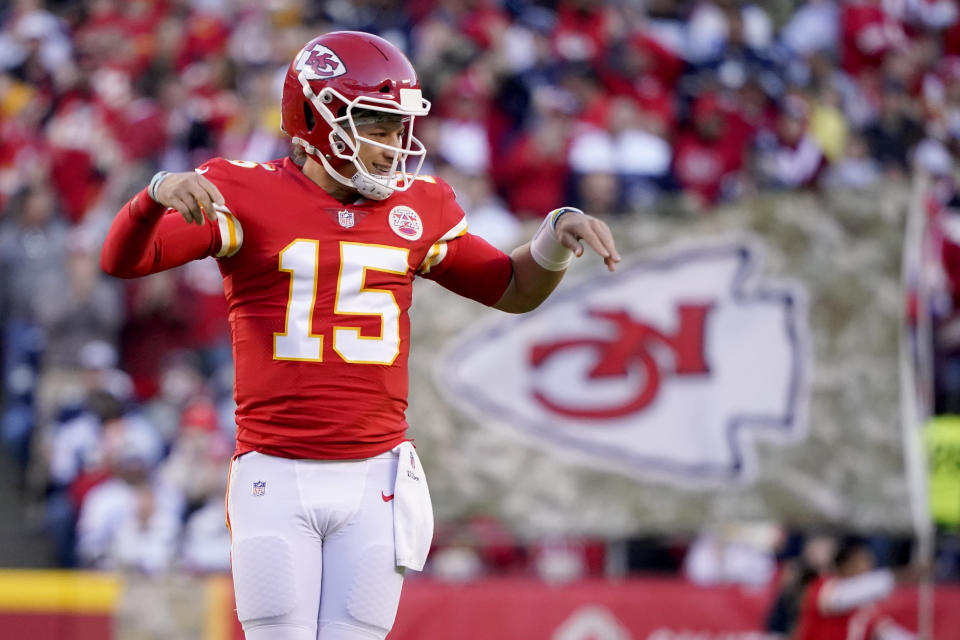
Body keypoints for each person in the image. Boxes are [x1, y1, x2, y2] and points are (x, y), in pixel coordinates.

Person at [100, 31, 620, 640]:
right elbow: (123, 260)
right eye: (376, 123)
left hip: (377, 472)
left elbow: (509, 288)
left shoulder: (417, 206)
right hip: (276, 469)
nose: (394, 145)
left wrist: (556, 233)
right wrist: (152, 195)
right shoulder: (244, 192)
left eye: (400, 126)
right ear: (318, 121)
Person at [793, 537, 919, 640]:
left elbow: (886, 631)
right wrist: (901, 576)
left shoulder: (863, 606)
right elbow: (841, 597)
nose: (867, 570)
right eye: (861, 564)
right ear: (847, 565)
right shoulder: (821, 586)